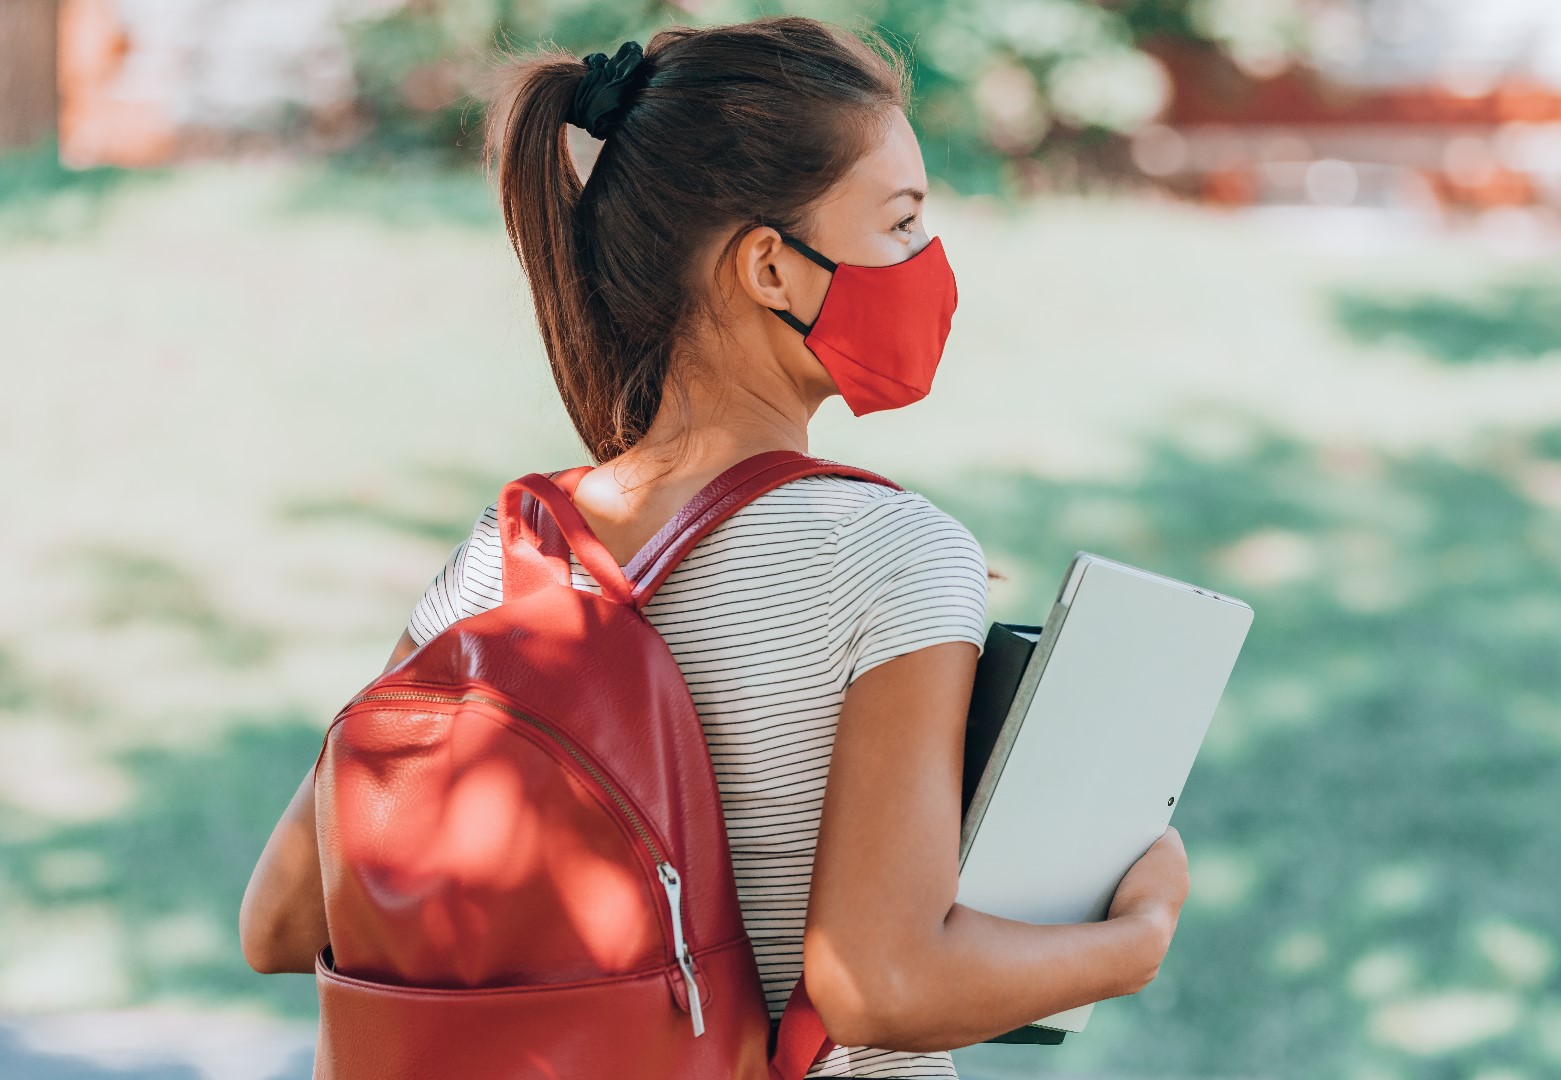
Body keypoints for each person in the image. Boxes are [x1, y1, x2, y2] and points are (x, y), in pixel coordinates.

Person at [237, 14, 1188, 1078]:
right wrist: (1131, 941)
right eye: (903, 223)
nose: (930, 263)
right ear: (772, 271)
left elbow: (278, 924)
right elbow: (881, 984)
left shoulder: (505, 561)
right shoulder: (891, 554)